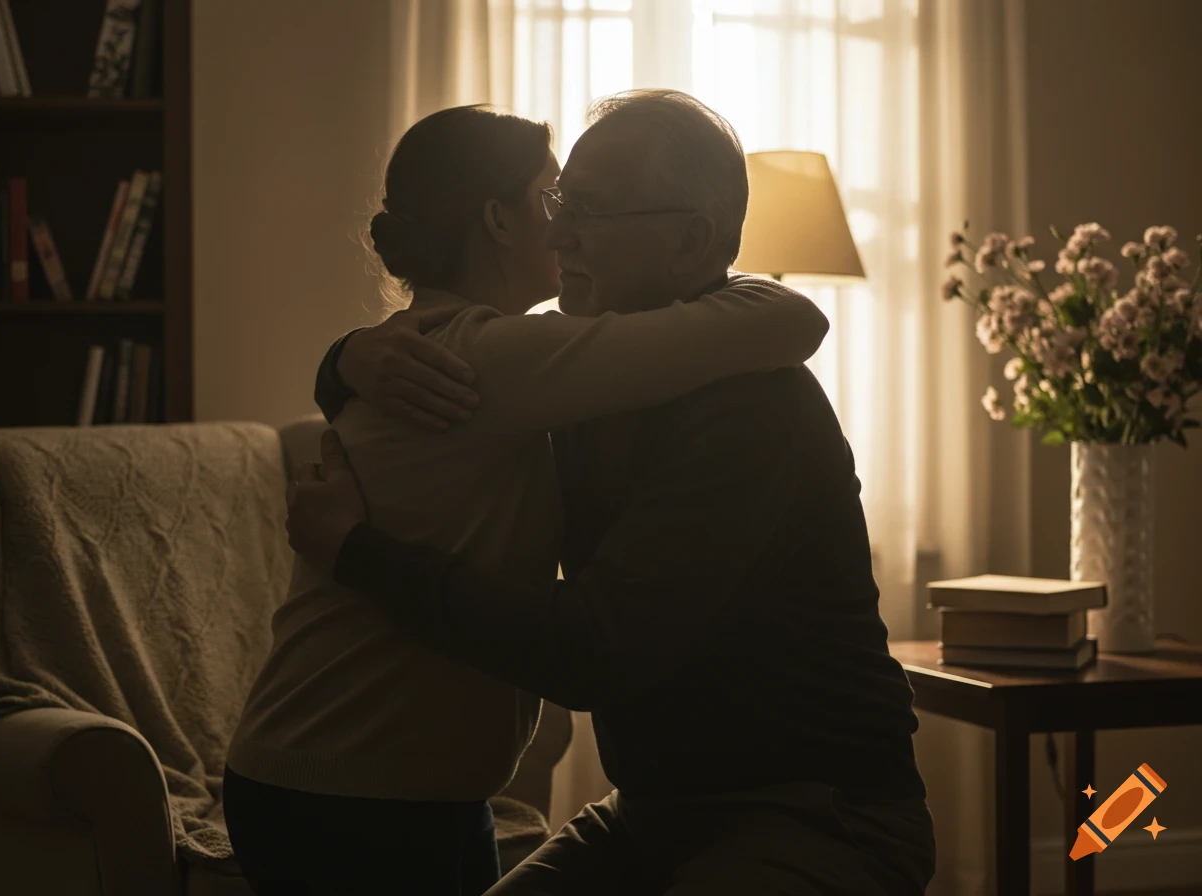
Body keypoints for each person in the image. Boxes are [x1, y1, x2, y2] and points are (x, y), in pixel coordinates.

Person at [288, 89, 937, 896]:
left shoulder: (753, 407)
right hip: (647, 815)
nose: (557, 232)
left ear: (691, 241)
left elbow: (596, 648)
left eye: (590, 209)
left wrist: (359, 555)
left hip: (817, 817)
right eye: (559, 202)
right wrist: (347, 358)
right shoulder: (585, 378)